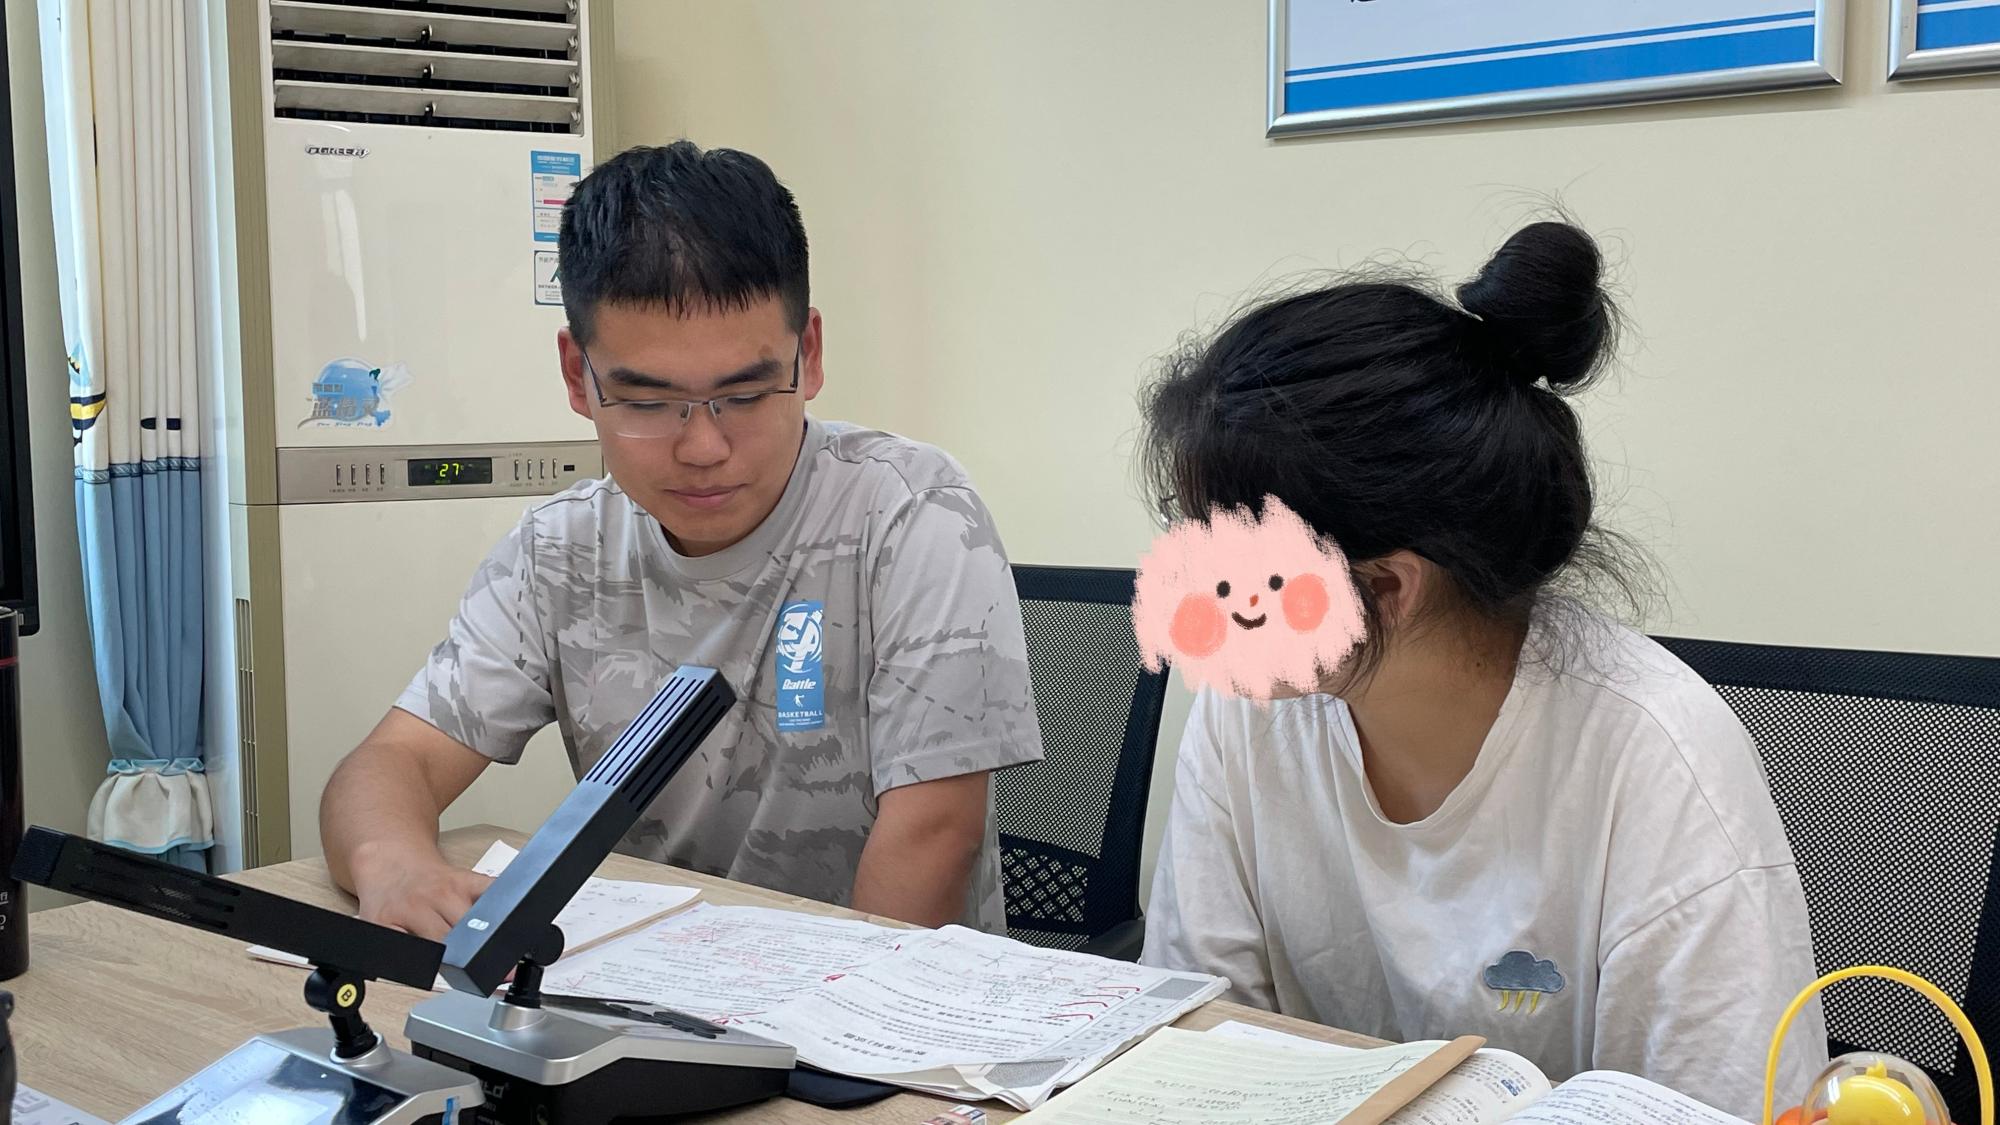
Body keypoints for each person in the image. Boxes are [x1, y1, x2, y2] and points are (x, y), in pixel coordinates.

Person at [1133, 221, 1826, 1117]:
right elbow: (1196, 1035)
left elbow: (1709, 1102)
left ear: (1386, 589)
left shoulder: (1654, 758)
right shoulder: (1249, 709)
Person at [319, 141, 1044, 940]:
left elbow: (935, 837)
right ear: (577, 375)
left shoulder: (914, 515)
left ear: (808, 355)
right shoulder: (558, 551)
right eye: (647, 401)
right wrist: (396, 868)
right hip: (641, 982)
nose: (702, 446)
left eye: (745, 393)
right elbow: (393, 761)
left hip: (866, 990)